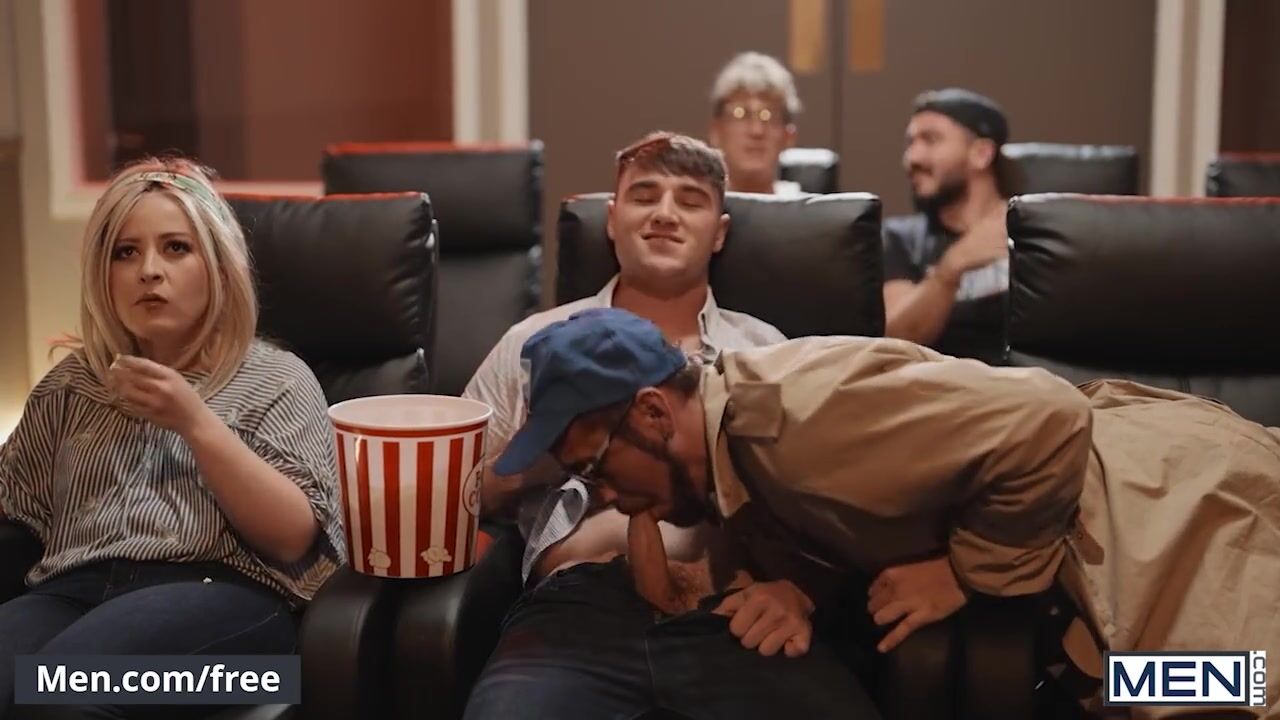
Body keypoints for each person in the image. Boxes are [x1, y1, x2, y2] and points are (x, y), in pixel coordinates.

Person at [496, 307, 1280, 719]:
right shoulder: (737, 443)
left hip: (1172, 516)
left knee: (1231, 686)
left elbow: (1047, 416)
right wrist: (799, 584)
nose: (600, 494)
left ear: (652, 414)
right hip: (1097, 553)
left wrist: (963, 572)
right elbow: (867, 506)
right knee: (1129, 689)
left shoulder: (801, 423)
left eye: (594, 467)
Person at [462, 133, 880, 718]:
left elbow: (825, 503)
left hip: (735, 609)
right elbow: (461, 497)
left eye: (690, 200)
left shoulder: (766, 351)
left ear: (720, 232)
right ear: (612, 220)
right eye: (644, 196)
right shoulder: (533, 345)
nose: (664, 213)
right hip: (577, 611)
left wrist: (799, 591)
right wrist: (563, 442)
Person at [0, 158, 346, 720]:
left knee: (58, 692)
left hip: (233, 615)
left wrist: (195, 422)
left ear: (218, 266)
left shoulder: (277, 379)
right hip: (70, 590)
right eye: (125, 252)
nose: (148, 271)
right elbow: (16, 502)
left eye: (176, 248)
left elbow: (293, 539)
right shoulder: (72, 384)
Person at [882, 87, 1013, 364]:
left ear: (981, 153)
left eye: (930, 140)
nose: (912, 158)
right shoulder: (899, 238)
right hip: (935, 380)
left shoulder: (1031, 231)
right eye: (910, 143)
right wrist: (951, 268)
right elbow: (895, 339)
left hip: (1023, 378)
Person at [707, 52, 802, 196]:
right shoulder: (698, 208)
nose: (756, 130)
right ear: (716, 131)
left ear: (789, 136)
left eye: (768, 116)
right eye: (740, 114)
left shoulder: (809, 209)